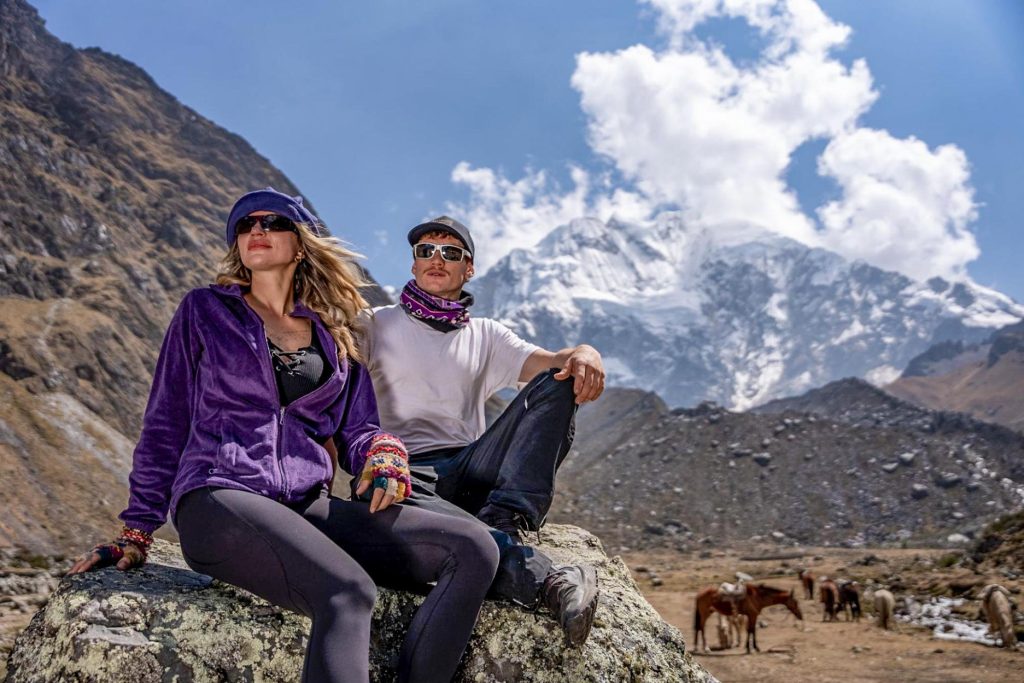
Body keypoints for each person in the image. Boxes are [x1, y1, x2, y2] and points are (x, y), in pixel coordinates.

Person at [68, 190, 499, 683]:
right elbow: (166, 420)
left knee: (472, 547)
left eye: (273, 221)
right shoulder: (205, 311)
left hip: (305, 505)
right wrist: (137, 530)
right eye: (245, 224)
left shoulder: (334, 333)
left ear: (300, 244)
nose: (257, 229)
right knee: (348, 591)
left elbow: (358, 429)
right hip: (219, 496)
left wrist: (382, 455)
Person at [360, 215, 605, 647]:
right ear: (414, 264)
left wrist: (585, 352)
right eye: (426, 251)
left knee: (559, 381)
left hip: (471, 466)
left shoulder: (486, 335)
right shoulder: (374, 324)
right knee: (373, 498)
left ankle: (506, 517)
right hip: (405, 473)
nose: (437, 259)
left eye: (450, 253)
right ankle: (544, 579)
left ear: (467, 268)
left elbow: (552, 362)